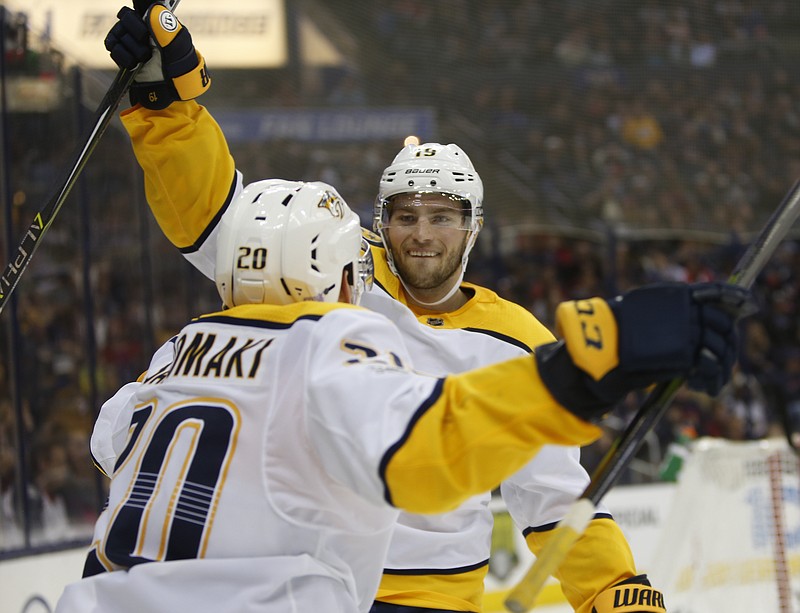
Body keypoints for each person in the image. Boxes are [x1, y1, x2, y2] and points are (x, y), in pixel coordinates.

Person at [100, 4, 750, 611]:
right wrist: (166, 110)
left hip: (433, 599)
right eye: (406, 215)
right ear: (379, 222)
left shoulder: (516, 336)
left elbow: (551, 498)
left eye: (442, 217)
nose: (421, 233)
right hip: (324, 580)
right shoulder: (330, 274)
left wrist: (611, 585)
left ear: (472, 228)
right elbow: (225, 224)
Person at [55, 178, 745, 612]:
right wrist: (580, 371)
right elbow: (425, 454)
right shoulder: (329, 343)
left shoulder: (177, 351)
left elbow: (111, 441)